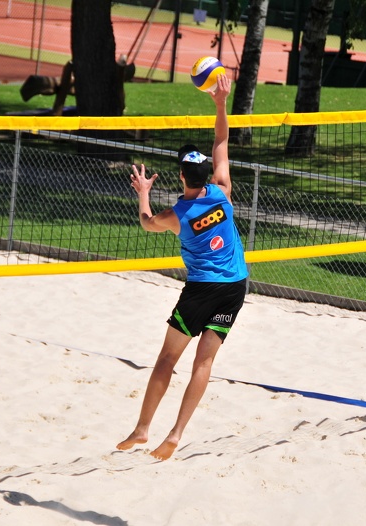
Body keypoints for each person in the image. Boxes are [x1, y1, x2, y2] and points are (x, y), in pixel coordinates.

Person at [117, 74, 248, 460]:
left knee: (167, 359)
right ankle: (174, 434)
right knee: (204, 361)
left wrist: (143, 194)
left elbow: (145, 223)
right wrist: (221, 102)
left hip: (201, 290)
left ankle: (143, 429)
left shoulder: (177, 214)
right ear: (207, 173)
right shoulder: (222, 189)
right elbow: (221, 140)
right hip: (235, 285)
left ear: (180, 177)